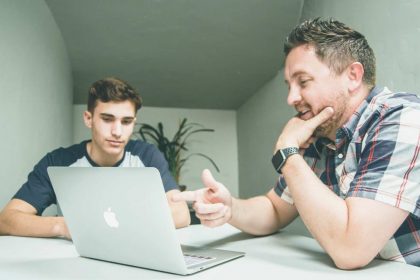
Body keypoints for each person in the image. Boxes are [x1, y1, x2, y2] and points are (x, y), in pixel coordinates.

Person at [173, 18, 420, 269]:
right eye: (289, 85)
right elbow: (274, 209)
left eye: (303, 82)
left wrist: (288, 153)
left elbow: (350, 251)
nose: (291, 98)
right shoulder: (321, 134)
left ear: (352, 76)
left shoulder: (404, 120)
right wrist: (230, 208)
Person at [0, 77, 190, 239]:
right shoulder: (58, 162)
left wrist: (122, 225)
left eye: (126, 122)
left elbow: (181, 214)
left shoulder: (147, 156)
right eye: (107, 119)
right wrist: (64, 226)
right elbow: (7, 220)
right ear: (88, 119)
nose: (117, 132)